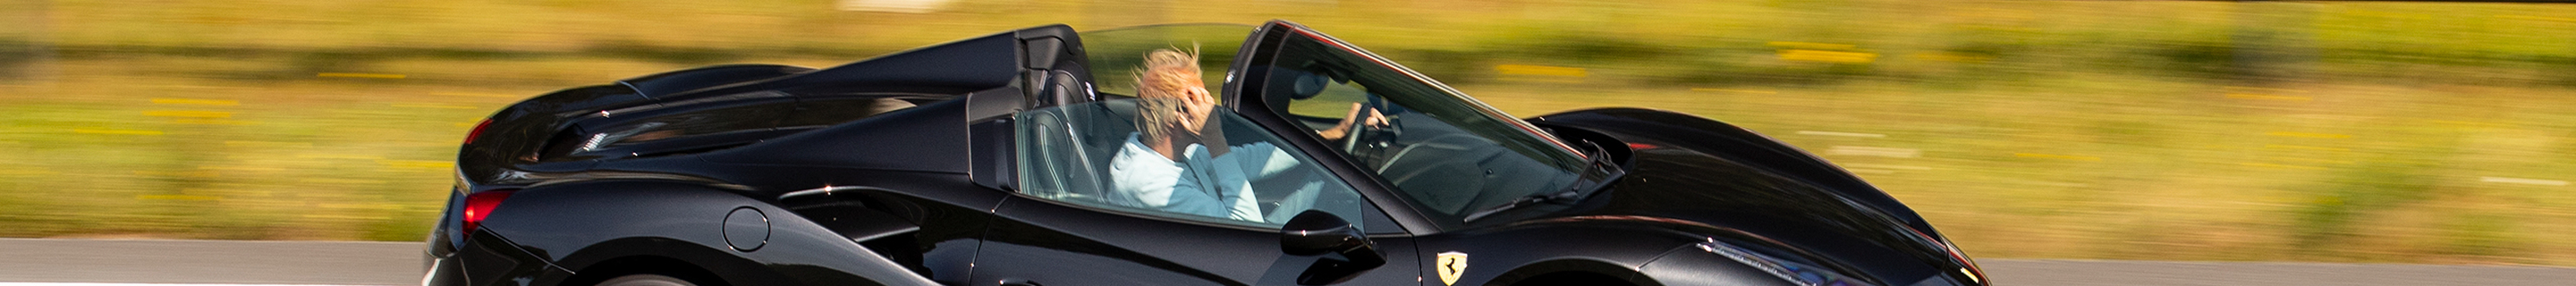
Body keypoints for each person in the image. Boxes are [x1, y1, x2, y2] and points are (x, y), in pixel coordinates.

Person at [1103, 47, 1377, 223]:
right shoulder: (1149, 184)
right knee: (1341, 198)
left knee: (1334, 183)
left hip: (1231, 247)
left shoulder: (1173, 150)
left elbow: (1252, 160)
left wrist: (1334, 134)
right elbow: (1248, 224)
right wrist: (1213, 136)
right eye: (1199, 100)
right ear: (1178, 115)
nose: (1210, 108)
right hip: (1228, 265)